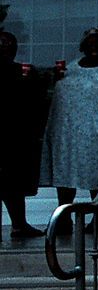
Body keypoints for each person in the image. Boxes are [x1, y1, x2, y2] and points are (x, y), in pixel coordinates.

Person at [39, 28, 98, 234]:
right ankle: (64, 218)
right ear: (83, 47)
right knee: (65, 177)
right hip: (68, 134)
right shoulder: (71, 68)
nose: (93, 47)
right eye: (89, 43)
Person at [0, 30, 46, 239]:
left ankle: (19, 224)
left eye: (7, 45)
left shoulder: (25, 73)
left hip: (17, 136)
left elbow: (37, 102)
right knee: (12, 183)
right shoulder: (23, 73)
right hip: (15, 135)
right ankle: (19, 224)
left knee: (14, 183)